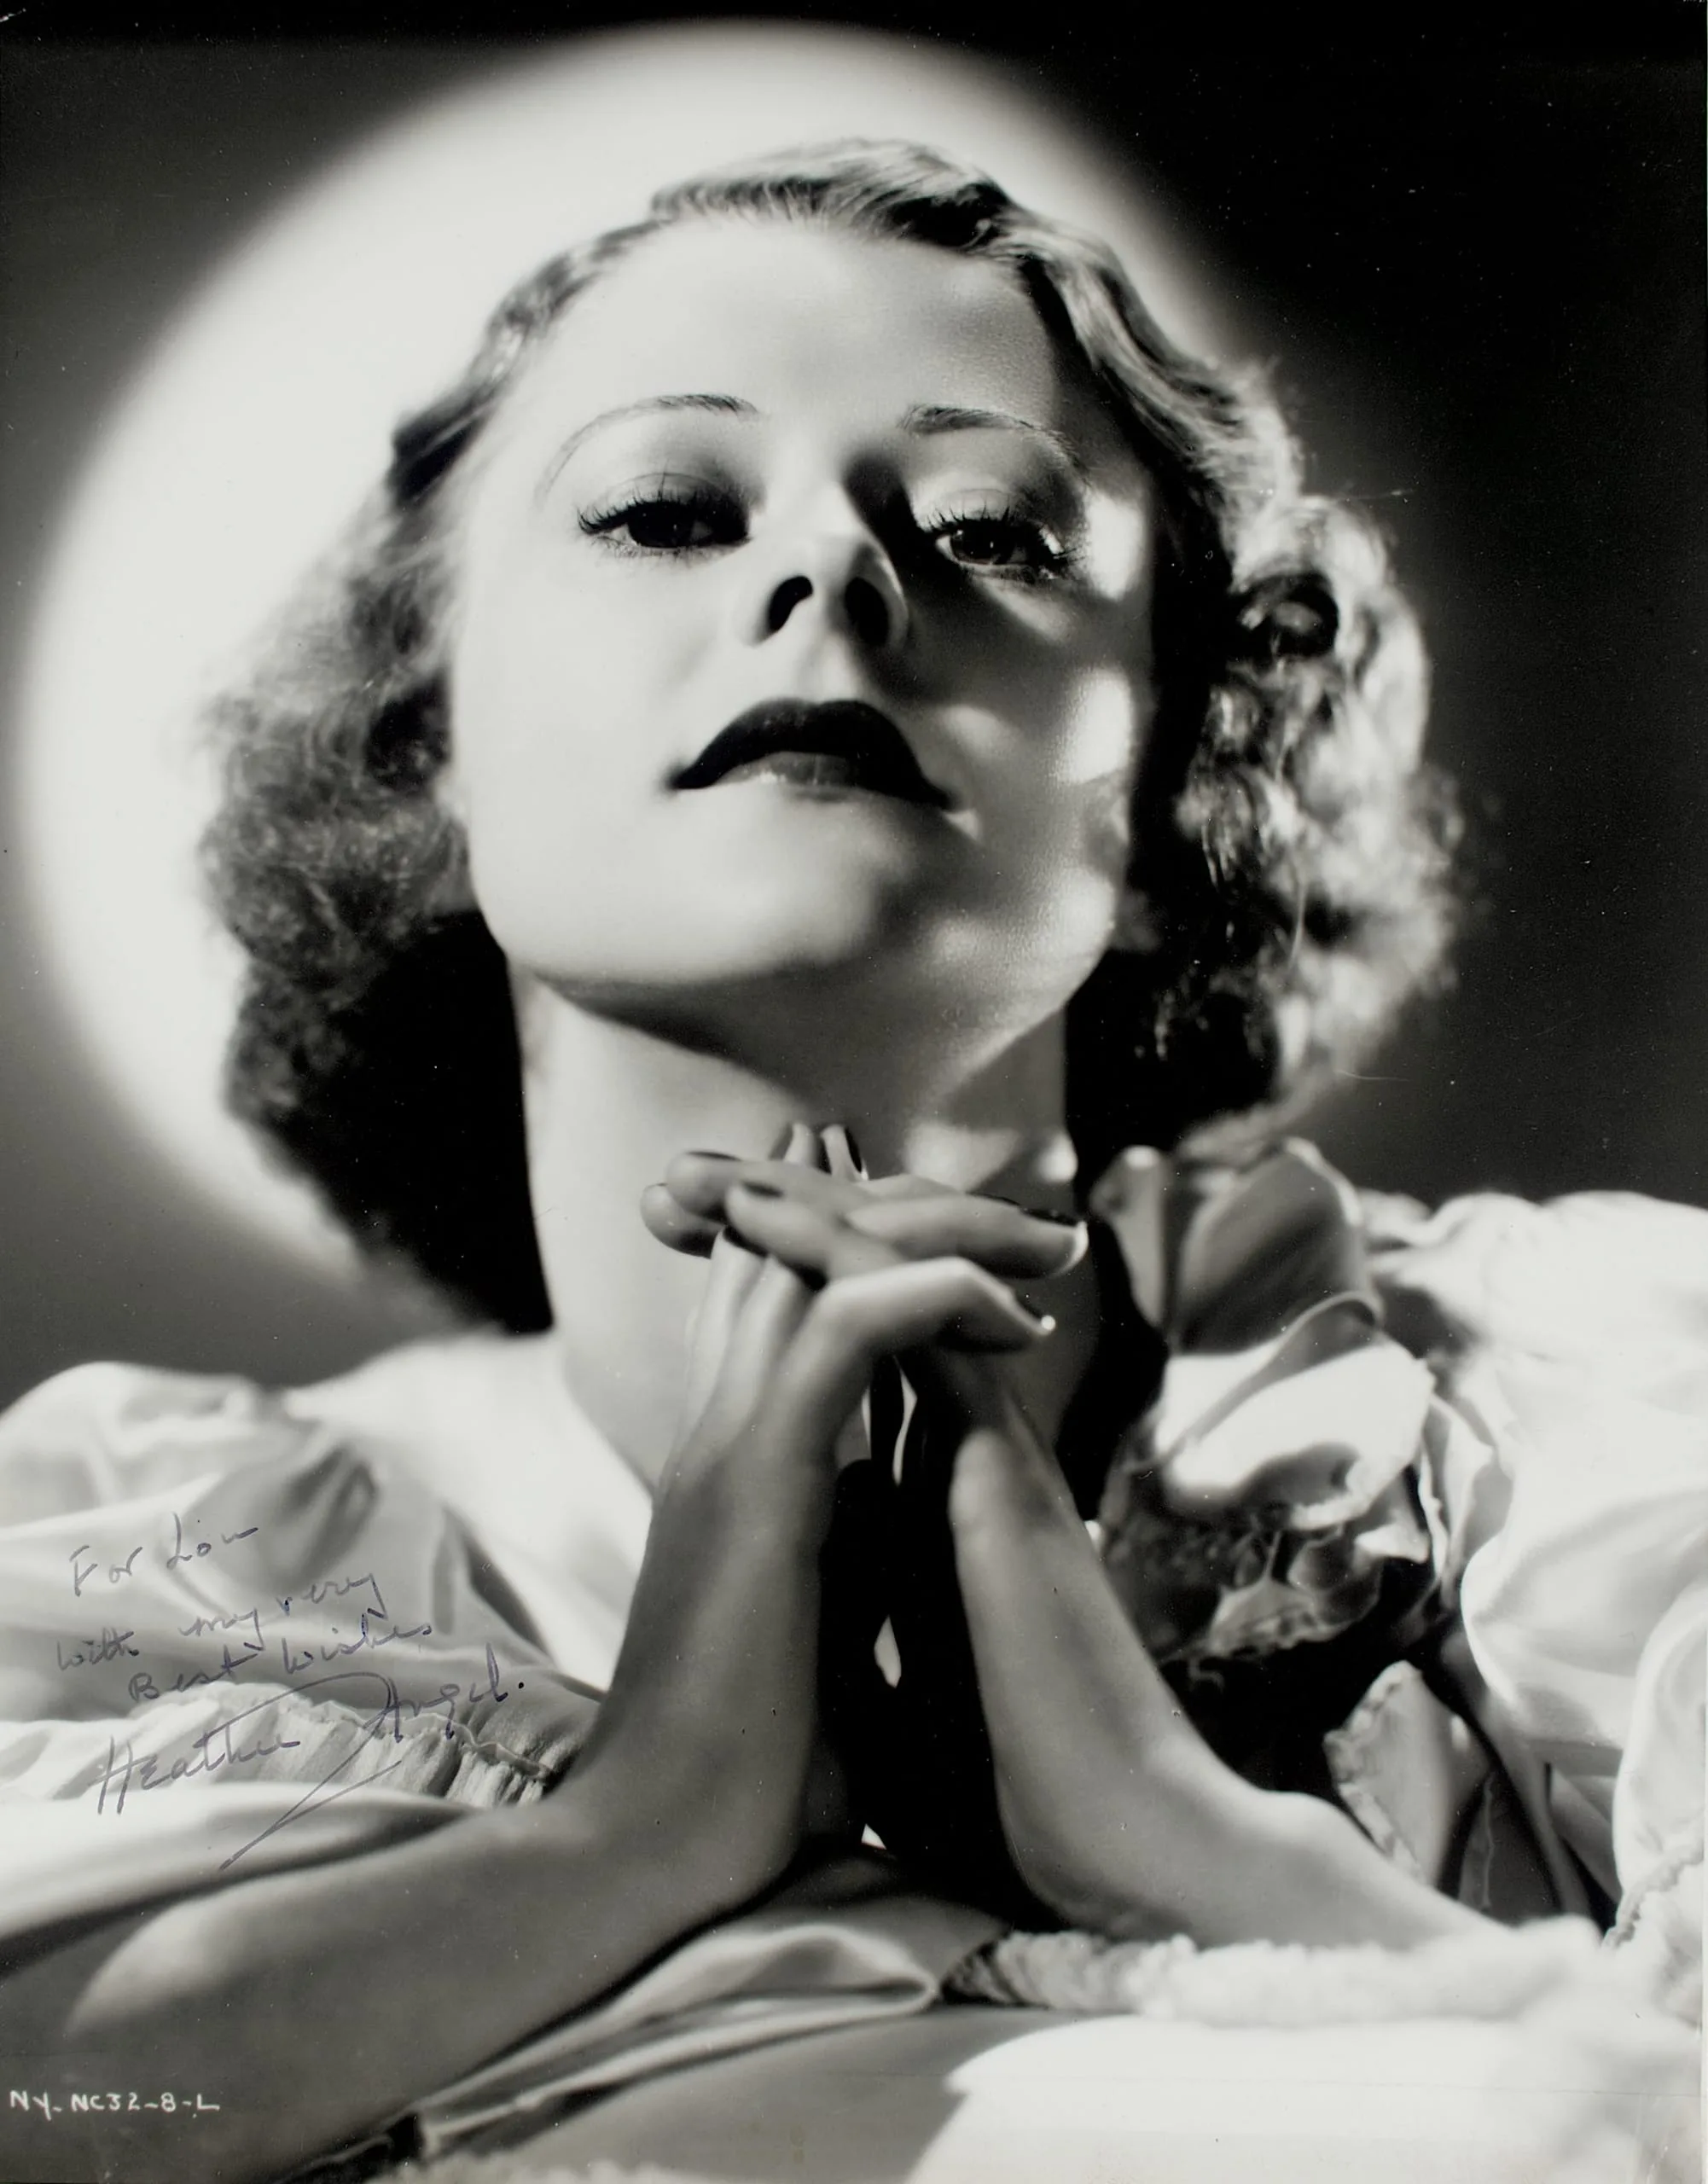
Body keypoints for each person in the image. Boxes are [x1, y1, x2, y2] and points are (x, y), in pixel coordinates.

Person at [0, 141, 1699, 2184]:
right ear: (426, 756)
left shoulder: (1580, 1415)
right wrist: (631, 1835)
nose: (827, 573)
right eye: (663, 509)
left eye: (988, 530)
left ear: (1175, 793)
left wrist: (1188, 1843)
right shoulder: (155, 1554)